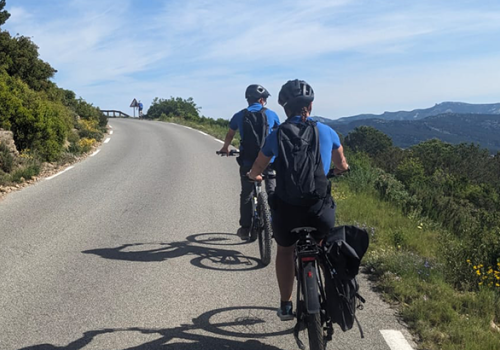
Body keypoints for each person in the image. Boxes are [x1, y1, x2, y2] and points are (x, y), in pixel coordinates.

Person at [247, 79, 349, 320]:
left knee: (284, 250)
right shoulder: (327, 131)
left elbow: (257, 167)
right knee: (322, 242)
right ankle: (332, 292)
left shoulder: (276, 135)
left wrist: (254, 175)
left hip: (288, 211)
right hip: (319, 210)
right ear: (310, 106)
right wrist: (339, 170)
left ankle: (285, 304)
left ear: (285, 108)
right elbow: (342, 165)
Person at [219, 84, 280, 240]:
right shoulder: (272, 115)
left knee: (246, 193)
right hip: (269, 162)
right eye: (265, 100)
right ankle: (277, 225)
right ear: (261, 100)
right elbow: (280, 137)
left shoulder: (239, 115)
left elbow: (230, 134)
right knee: (273, 192)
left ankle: (245, 228)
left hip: (248, 162)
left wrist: (226, 148)